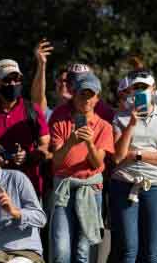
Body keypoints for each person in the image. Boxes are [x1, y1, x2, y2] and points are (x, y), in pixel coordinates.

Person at [109, 69, 157, 263]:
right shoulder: (120, 118)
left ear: (153, 89)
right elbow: (118, 157)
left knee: (151, 252)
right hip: (124, 185)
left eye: (144, 87)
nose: (139, 91)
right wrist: (131, 124)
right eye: (135, 87)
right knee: (129, 250)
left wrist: (137, 154)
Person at [49, 72, 114, 263]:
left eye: (90, 95)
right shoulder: (61, 123)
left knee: (83, 252)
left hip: (90, 189)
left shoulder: (104, 127)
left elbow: (97, 163)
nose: (86, 99)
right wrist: (70, 141)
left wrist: (89, 143)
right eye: (82, 94)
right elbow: (56, 161)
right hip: (64, 187)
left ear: (97, 98)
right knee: (61, 250)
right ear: (74, 95)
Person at [0, 59, 51, 197]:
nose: (13, 84)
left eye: (17, 79)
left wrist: (28, 156)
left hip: (29, 187)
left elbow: (46, 146)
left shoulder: (32, 110)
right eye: (7, 80)